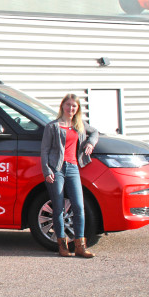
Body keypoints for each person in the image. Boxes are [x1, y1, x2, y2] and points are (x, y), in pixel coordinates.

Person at [40, 94, 99, 258]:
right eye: (68, 105)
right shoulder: (52, 126)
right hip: (56, 168)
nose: (71, 108)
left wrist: (90, 143)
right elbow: (44, 150)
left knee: (79, 207)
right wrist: (47, 171)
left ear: (77, 108)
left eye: (74, 106)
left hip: (73, 168)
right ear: (62, 106)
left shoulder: (79, 125)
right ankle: (62, 246)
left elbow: (95, 133)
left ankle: (80, 246)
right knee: (58, 207)